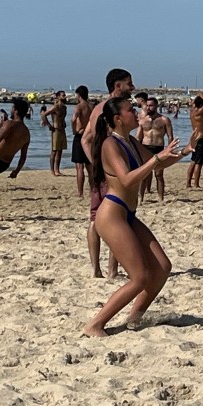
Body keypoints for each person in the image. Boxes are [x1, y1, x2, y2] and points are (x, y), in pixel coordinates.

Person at [83, 96, 182, 337]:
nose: (137, 113)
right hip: (112, 215)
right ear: (118, 118)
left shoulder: (130, 141)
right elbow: (127, 179)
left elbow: (156, 165)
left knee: (162, 267)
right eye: (131, 110)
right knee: (140, 277)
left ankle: (134, 318)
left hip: (127, 213)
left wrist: (184, 152)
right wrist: (157, 158)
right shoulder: (110, 144)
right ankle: (95, 325)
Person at [82, 69, 136, 278]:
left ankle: (97, 269)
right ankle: (110, 270)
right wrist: (103, 164)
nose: (133, 87)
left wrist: (96, 163)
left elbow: (85, 139)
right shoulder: (112, 110)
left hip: (102, 172)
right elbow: (88, 140)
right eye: (129, 83)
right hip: (112, 173)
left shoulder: (98, 108)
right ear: (117, 86)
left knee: (96, 218)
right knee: (118, 218)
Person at [137, 96, 174, 203]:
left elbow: (170, 136)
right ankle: (141, 198)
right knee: (144, 175)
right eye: (147, 106)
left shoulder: (164, 120)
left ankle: (161, 198)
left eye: (151, 105)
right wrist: (135, 150)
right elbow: (138, 138)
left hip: (159, 148)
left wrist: (169, 150)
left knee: (159, 175)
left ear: (156, 106)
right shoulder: (142, 121)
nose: (148, 108)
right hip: (145, 148)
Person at [71, 85, 92, 197]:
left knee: (79, 167)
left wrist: (74, 130)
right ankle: (93, 190)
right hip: (90, 136)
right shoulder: (91, 106)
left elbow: (73, 119)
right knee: (90, 166)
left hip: (80, 136)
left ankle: (80, 192)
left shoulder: (78, 107)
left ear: (78, 95)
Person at [185, 95, 203, 189]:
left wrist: (196, 99)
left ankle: (188, 183)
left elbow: (195, 104)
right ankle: (196, 184)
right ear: (201, 104)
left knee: (193, 161)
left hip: (194, 139)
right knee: (199, 163)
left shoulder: (192, 112)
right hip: (200, 139)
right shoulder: (198, 112)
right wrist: (201, 94)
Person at [43, 91, 68, 177]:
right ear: (58, 97)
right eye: (63, 95)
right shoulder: (55, 107)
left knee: (60, 151)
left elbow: (62, 117)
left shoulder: (64, 107)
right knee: (54, 151)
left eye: (65, 95)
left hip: (62, 129)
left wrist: (64, 122)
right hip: (56, 129)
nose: (65, 96)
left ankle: (57, 169)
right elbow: (44, 115)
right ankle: (52, 170)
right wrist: (49, 125)